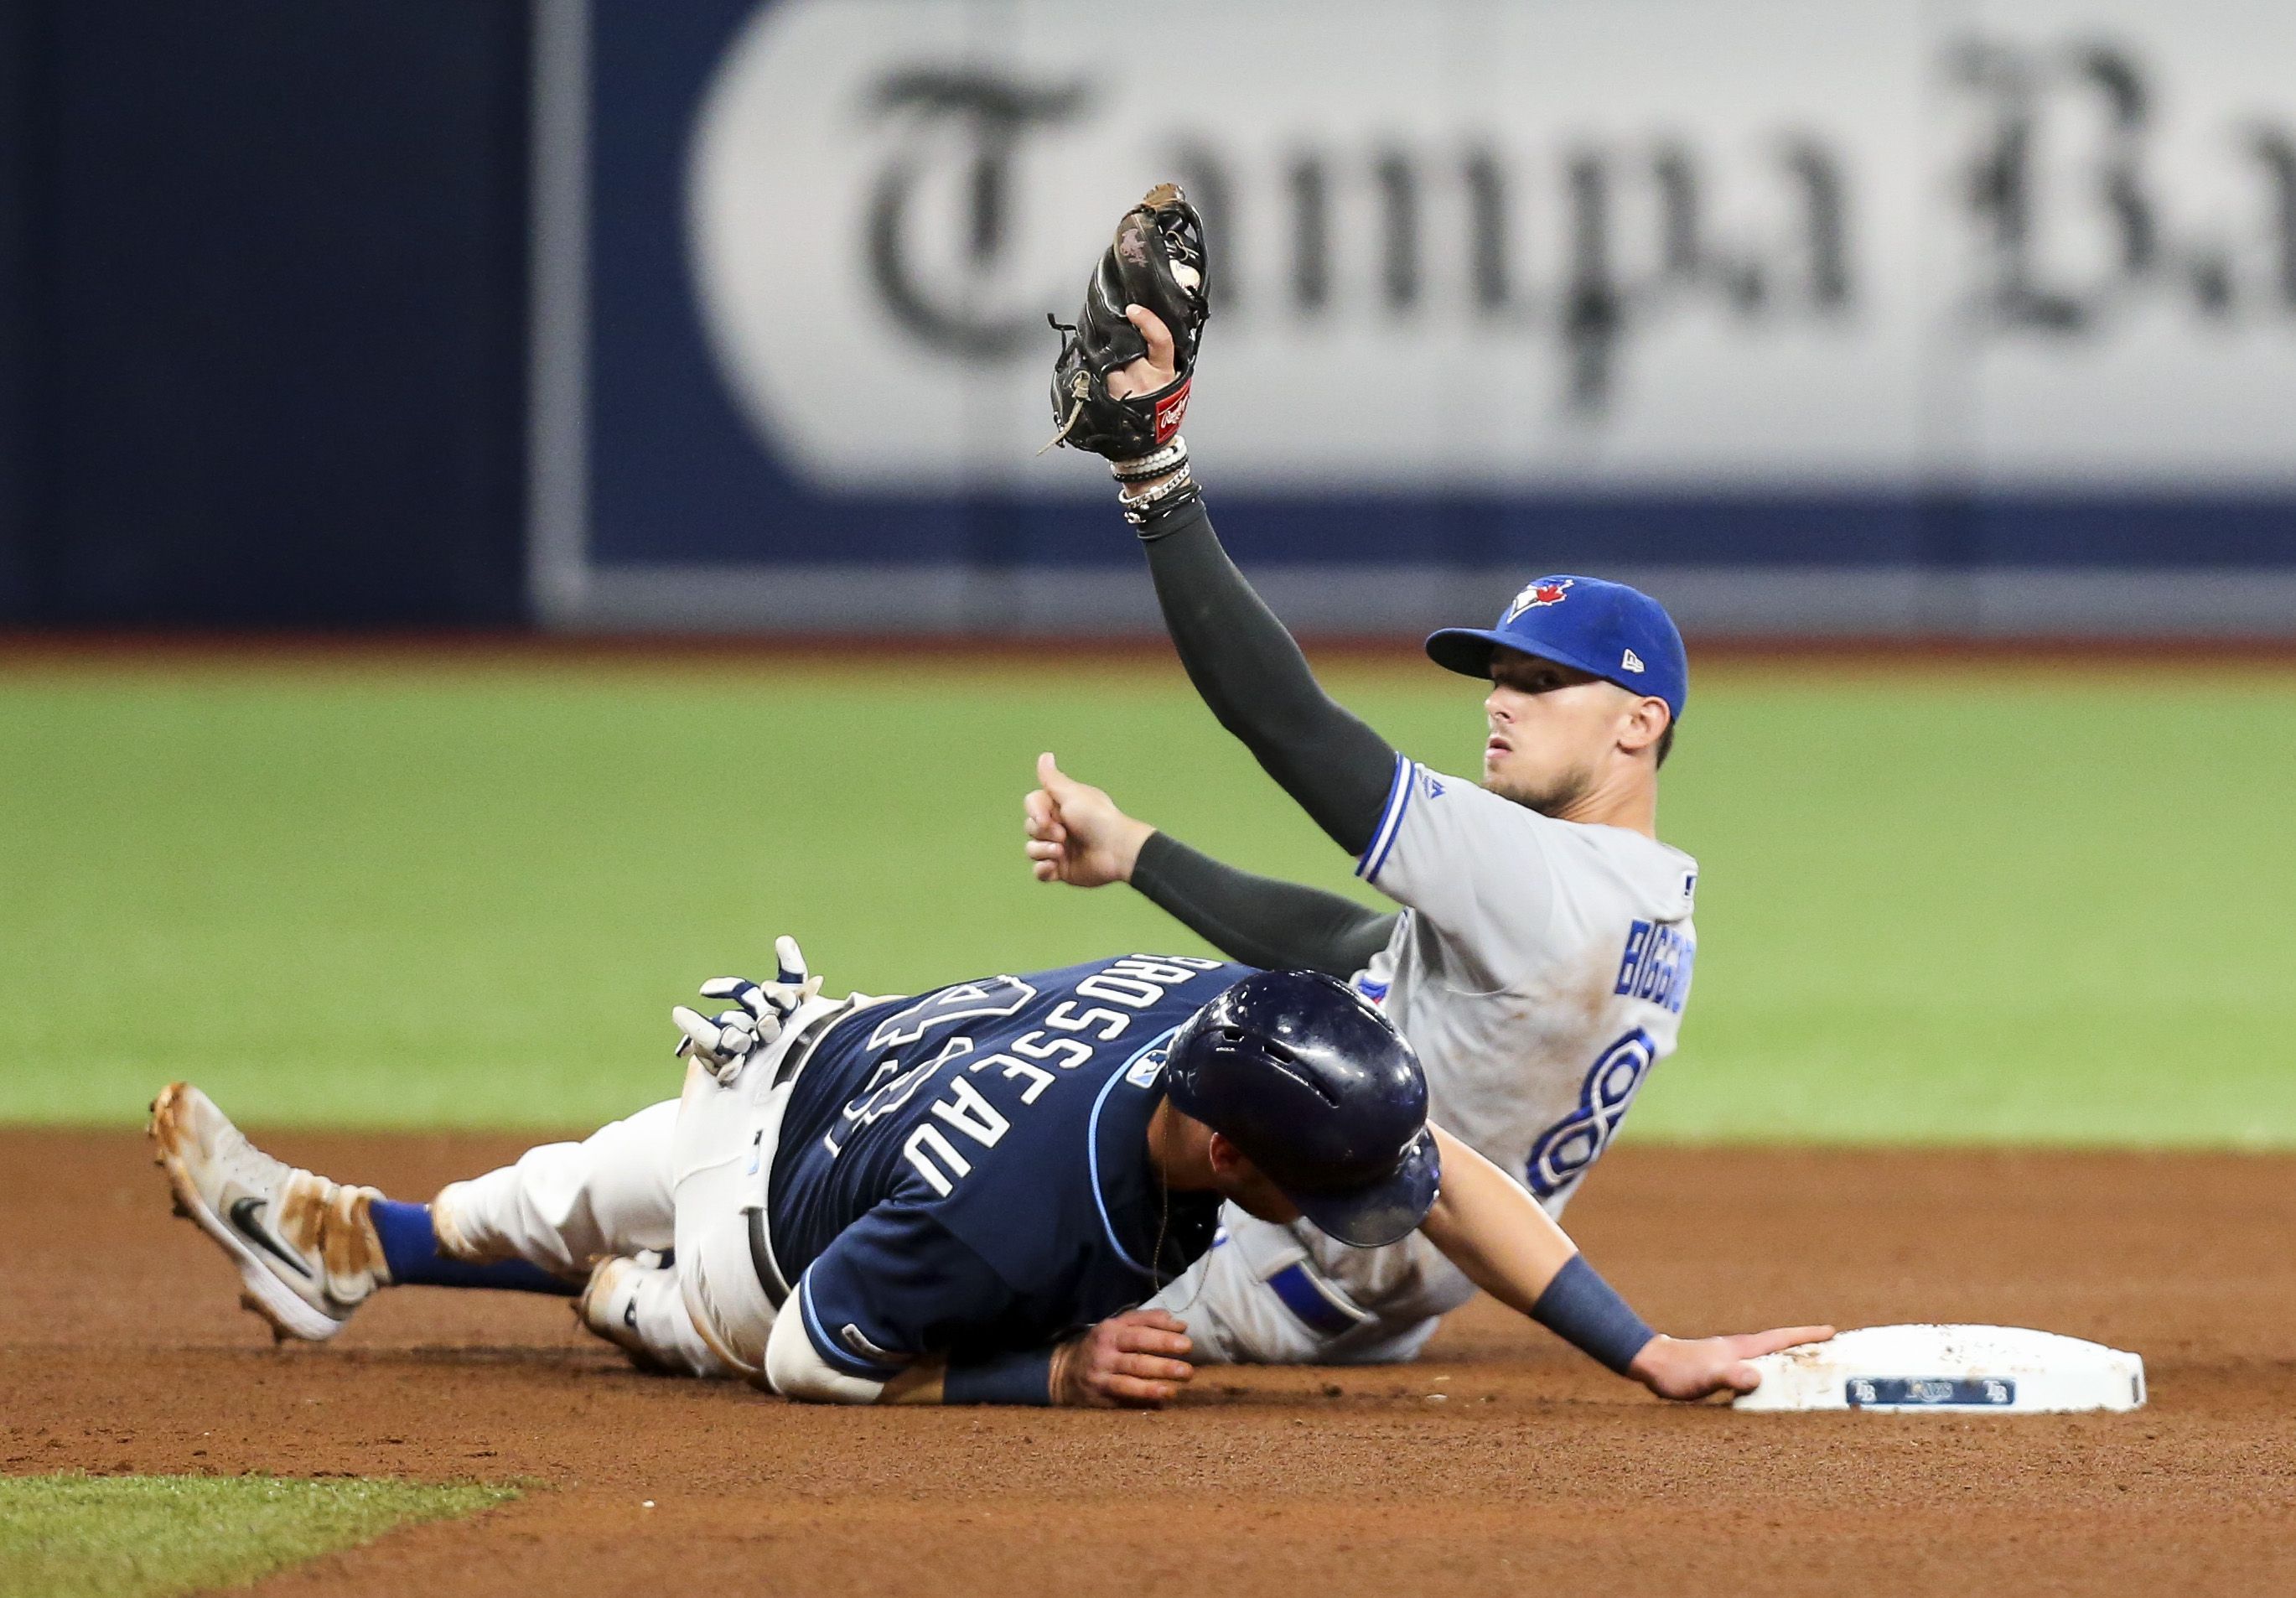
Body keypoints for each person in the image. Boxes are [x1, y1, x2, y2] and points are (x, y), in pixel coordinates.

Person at [151, 948, 1826, 1407]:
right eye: (1322, 1188)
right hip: (784, 1238)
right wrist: (1054, 1366)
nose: (1356, 1210)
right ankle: (655, 1319)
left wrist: (1642, 1342)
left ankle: (354, 1246)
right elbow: (825, 1349)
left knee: (544, 1190)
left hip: (823, 1075)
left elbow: (1434, 1164)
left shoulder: (1221, 1014)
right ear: (1234, 1157)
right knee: (690, 1283)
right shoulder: (1020, 1213)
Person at [1024, 299, 1700, 1366]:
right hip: (1391, 1300)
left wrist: (1155, 477)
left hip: (1249, 1276)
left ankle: (678, 1299)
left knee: (985, 1159)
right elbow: (1362, 953)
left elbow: (1287, 723)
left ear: (1638, 724)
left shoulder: (1542, 880)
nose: (1499, 702)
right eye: (1499, 678)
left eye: (1543, 683)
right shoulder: (1654, 902)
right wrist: (1135, 850)